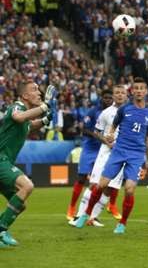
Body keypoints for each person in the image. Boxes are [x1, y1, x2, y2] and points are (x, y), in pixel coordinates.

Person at [75, 78, 148, 234]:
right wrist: (110, 135)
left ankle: (122, 224)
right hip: (119, 151)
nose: (139, 91)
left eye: (142, 88)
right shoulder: (124, 110)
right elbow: (113, 125)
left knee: (129, 189)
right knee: (101, 184)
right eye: (136, 88)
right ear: (132, 91)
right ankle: (86, 214)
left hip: (136, 154)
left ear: (146, 92)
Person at [0, 82, 55, 247]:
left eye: (39, 90)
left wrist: (44, 120)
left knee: (20, 204)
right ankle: (1, 230)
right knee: (27, 186)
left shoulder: (25, 113)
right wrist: (44, 107)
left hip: (5, 161)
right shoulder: (16, 107)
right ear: (24, 96)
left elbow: (29, 125)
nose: (39, 93)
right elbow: (19, 117)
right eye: (34, 90)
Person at [69, 85, 128, 227]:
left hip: (121, 153)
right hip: (105, 152)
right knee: (95, 184)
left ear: (126, 95)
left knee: (110, 187)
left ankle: (92, 217)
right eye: (117, 93)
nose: (119, 95)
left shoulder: (130, 112)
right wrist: (107, 142)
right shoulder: (106, 113)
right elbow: (97, 131)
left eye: (122, 93)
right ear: (114, 96)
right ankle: (79, 216)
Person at [66, 89, 113, 220]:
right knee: (81, 178)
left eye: (110, 98)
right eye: (106, 98)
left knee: (104, 181)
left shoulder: (114, 113)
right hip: (90, 148)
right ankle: (72, 207)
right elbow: (84, 129)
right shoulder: (93, 111)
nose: (108, 100)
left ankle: (96, 213)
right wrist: (98, 136)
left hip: (103, 150)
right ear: (101, 98)